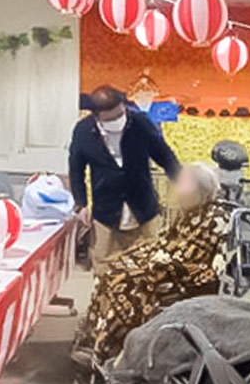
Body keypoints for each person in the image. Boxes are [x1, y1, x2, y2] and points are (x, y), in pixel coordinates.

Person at [72, 162, 229, 366]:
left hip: (188, 274)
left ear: (201, 190)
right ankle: (93, 338)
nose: (179, 191)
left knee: (127, 282)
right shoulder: (192, 210)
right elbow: (168, 240)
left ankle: (111, 354)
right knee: (112, 270)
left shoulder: (215, 217)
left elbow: (193, 255)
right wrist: (145, 254)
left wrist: (156, 260)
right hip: (171, 263)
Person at [69, 85, 180, 277]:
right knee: (104, 267)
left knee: (153, 265)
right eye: (111, 119)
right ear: (97, 116)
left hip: (144, 208)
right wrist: (81, 204)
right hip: (105, 210)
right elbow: (76, 169)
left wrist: (181, 182)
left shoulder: (140, 123)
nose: (118, 121)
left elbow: (164, 155)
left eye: (121, 114)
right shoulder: (83, 131)